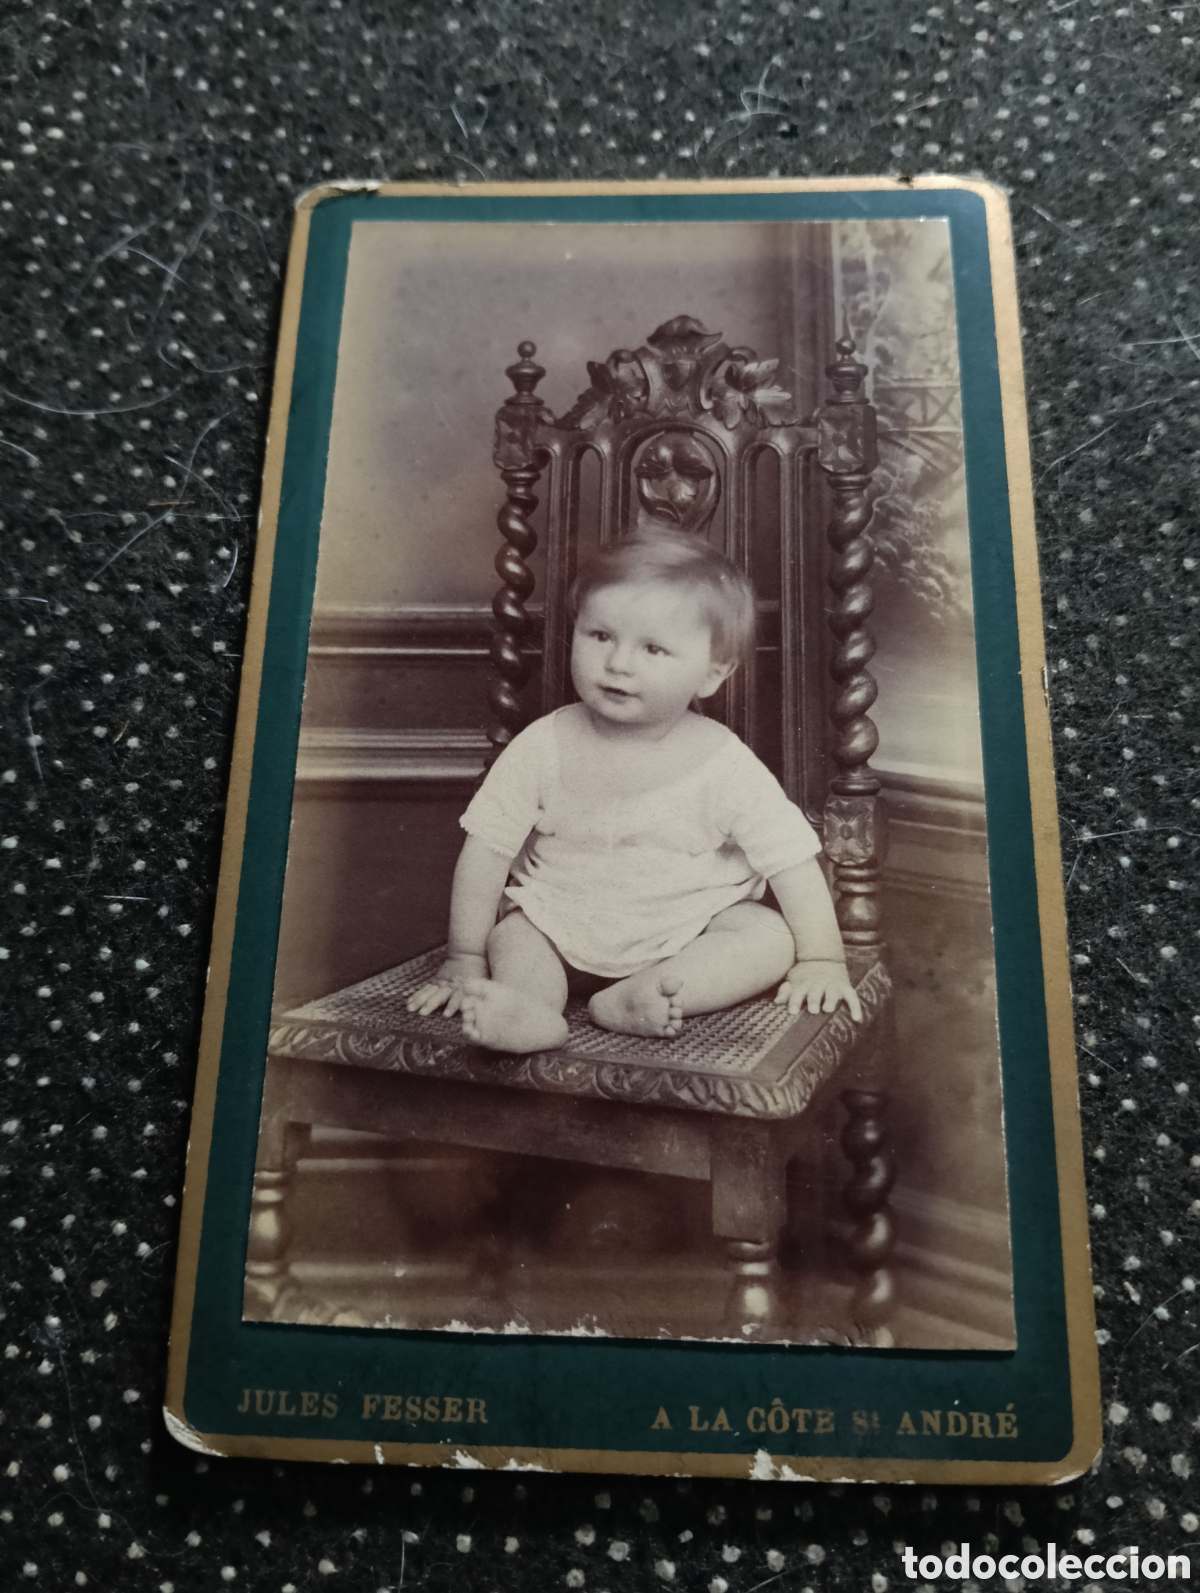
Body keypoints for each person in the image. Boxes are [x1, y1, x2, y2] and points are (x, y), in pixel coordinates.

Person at [407, 532, 862, 1053]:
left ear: (713, 673)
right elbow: (486, 851)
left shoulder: (724, 763)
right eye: (600, 635)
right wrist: (465, 956)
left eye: (653, 648)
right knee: (512, 935)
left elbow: (792, 864)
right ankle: (531, 1012)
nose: (619, 663)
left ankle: (642, 997)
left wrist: (823, 959)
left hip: (685, 932)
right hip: (560, 923)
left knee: (768, 939)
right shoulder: (544, 745)